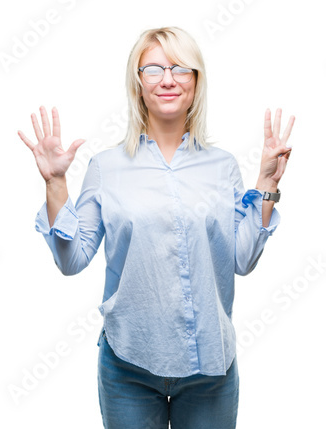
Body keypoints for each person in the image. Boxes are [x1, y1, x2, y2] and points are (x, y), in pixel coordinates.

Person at [18, 27, 293, 428]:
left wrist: (267, 184)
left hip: (209, 368)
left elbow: (243, 259)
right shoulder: (106, 167)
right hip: (128, 365)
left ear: (196, 83)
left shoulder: (223, 166)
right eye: (154, 69)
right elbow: (71, 260)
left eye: (181, 68)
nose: (167, 79)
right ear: (138, 84)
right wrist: (55, 183)